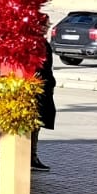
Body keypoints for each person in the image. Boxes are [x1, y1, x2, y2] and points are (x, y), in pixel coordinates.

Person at [32, 39, 56, 171]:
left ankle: (32, 157)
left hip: (43, 85)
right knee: (35, 124)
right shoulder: (37, 43)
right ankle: (32, 157)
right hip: (37, 86)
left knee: (37, 124)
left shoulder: (42, 43)